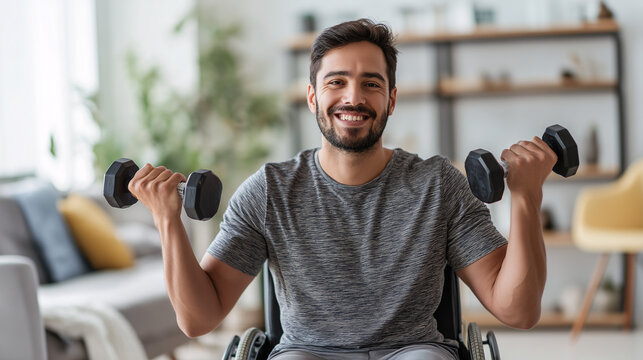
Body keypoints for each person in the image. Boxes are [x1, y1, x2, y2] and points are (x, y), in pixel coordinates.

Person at [128, 18, 554, 360]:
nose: (354, 97)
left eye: (371, 83)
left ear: (391, 99)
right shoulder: (269, 191)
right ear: (313, 97)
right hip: (305, 352)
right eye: (336, 82)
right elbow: (198, 320)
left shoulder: (439, 185)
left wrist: (526, 197)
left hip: (414, 350)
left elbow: (517, 309)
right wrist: (167, 220)